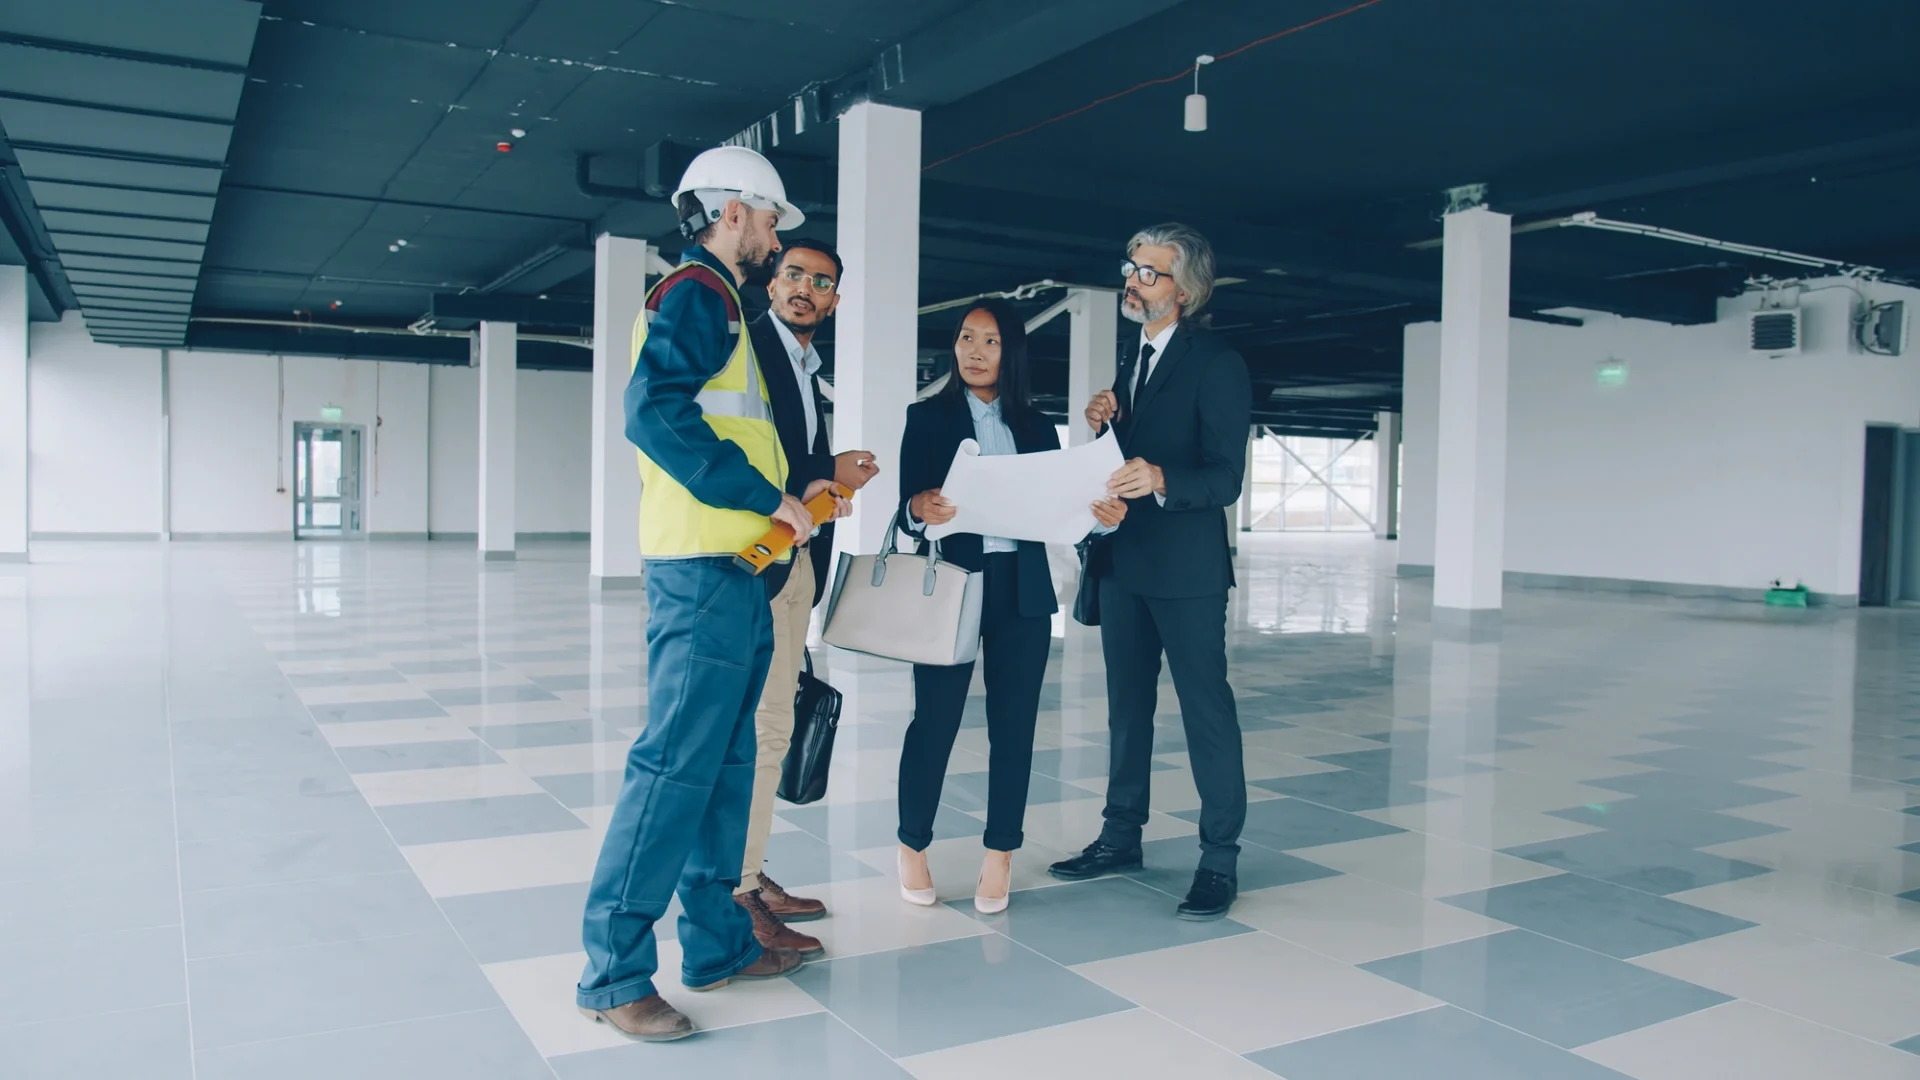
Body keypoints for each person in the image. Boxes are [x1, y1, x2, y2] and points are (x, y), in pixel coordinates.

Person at [575, 145, 848, 1042]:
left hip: (743, 573)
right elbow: (652, 410)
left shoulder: (721, 303)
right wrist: (758, 494)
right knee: (672, 773)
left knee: (728, 770)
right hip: (702, 574)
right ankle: (615, 976)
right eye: (771, 221)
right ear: (735, 213)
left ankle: (719, 944)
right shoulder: (695, 292)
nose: (774, 239)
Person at [896, 299, 1128, 913]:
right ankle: (912, 844)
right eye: (967, 338)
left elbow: (1056, 515)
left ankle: (999, 854)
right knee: (935, 721)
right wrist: (920, 508)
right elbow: (905, 513)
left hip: (1021, 588)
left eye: (991, 342)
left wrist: (1098, 522)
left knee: (1015, 727)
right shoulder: (926, 420)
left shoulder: (1035, 427)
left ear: (1012, 351)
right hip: (953, 583)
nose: (975, 351)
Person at [1050, 223, 1253, 921]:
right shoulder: (1130, 362)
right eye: (1131, 267)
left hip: (1189, 572)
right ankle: (1119, 837)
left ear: (1186, 290)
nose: (1132, 281)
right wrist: (1102, 423)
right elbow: (1116, 465)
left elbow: (1225, 478)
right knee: (1126, 713)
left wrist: (1164, 477)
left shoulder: (1217, 362)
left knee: (1206, 714)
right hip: (1123, 565)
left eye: (1149, 272)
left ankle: (1219, 859)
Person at [733, 238, 880, 956]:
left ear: (834, 301)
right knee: (757, 732)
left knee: (774, 729)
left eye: (820, 283)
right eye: (793, 274)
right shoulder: (749, 350)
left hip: (796, 564)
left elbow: (787, 458)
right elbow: (738, 452)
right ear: (772, 281)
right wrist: (812, 474)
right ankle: (737, 891)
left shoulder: (802, 365)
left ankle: (751, 874)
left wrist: (830, 469)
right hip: (755, 563)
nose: (805, 290)